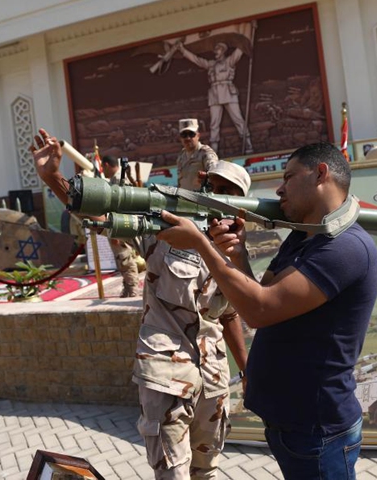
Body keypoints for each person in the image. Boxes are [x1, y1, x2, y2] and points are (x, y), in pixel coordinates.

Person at [31, 128, 249, 479]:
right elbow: (96, 219)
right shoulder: (164, 231)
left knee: (206, 473)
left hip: (213, 380)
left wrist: (247, 369)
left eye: (231, 194)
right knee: (172, 476)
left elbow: (231, 315)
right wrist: (53, 176)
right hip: (166, 374)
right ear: (205, 188)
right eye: (217, 189)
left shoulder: (237, 253)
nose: (220, 200)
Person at [155, 142, 377, 480]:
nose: (279, 188)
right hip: (293, 425)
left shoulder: (344, 248)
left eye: (288, 177)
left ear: (321, 174)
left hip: (316, 429)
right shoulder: (304, 237)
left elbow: (259, 310)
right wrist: (236, 254)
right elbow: (260, 292)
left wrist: (201, 245)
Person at [178, 42, 253, 154]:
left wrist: (245, 36)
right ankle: (214, 152)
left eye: (217, 49)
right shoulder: (211, 64)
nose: (215, 52)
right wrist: (182, 50)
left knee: (238, 120)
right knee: (214, 124)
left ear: (223, 51)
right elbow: (196, 59)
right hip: (214, 95)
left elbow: (240, 48)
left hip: (228, 92)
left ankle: (248, 144)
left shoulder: (229, 61)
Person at [101, 155, 141, 297]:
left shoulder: (119, 179)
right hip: (121, 223)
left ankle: (132, 289)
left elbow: (122, 205)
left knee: (124, 258)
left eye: (102, 167)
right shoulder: (116, 179)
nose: (102, 170)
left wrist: (116, 231)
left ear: (106, 165)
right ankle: (128, 287)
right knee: (123, 258)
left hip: (122, 224)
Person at [176, 118, 218, 192]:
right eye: (184, 135)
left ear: (198, 135)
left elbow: (214, 172)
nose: (188, 138)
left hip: (201, 199)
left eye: (191, 134)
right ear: (180, 138)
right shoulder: (181, 156)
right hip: (185, 199)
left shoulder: (205, 152)